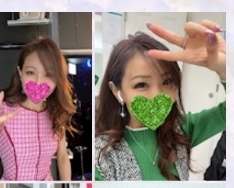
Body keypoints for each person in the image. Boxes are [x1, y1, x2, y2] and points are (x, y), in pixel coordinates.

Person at [94, 20, 226, 181]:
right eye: (141, 85)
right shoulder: (102, 157)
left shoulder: (182, 130)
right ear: (117, 91)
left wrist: (225, 68)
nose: (157, 95)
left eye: (167, 81)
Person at [0, 35, 76, 180]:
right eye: (30, 72)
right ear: (20, 73)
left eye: (48, 74)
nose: (38, 81)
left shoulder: (56, 113)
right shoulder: (1, 113)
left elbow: (63, 157)